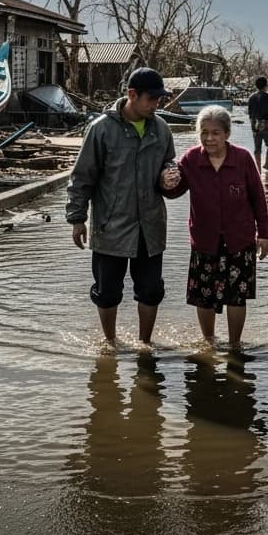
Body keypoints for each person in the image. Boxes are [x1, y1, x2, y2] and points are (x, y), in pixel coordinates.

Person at [66, 66, 181, 347]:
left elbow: (170, 164)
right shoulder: (101, 129)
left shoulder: (161, 129)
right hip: (110, 225)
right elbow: (83, 176)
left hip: (150, 226)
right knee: (107, 292)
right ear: (132, 94)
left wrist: (169, 177)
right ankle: (111, 342)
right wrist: (77, 218)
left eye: (159, 99)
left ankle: (145, 344)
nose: (157, 104)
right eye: (151, 99)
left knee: (151, 290)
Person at [165, 105, 268, 351]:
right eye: (204, 132)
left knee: (237, 296)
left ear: (226, 134)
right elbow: (174, 191)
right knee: (204, 296)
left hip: (239, 240)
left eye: (215, 133)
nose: (209, 138)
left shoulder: (242, 158)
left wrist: (263, 234)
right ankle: (208, 343)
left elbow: (258, 198)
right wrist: (166, 183)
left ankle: (235, 345)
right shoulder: (191, 159)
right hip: (205, 241)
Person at [246, 75, 268, 171]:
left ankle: (258, 169)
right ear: (265, 85)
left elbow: (250, 114)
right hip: (266, 125)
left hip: (255, 124)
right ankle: (266, 164)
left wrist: (252, 125)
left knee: (257, 149)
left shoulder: (251, 97)